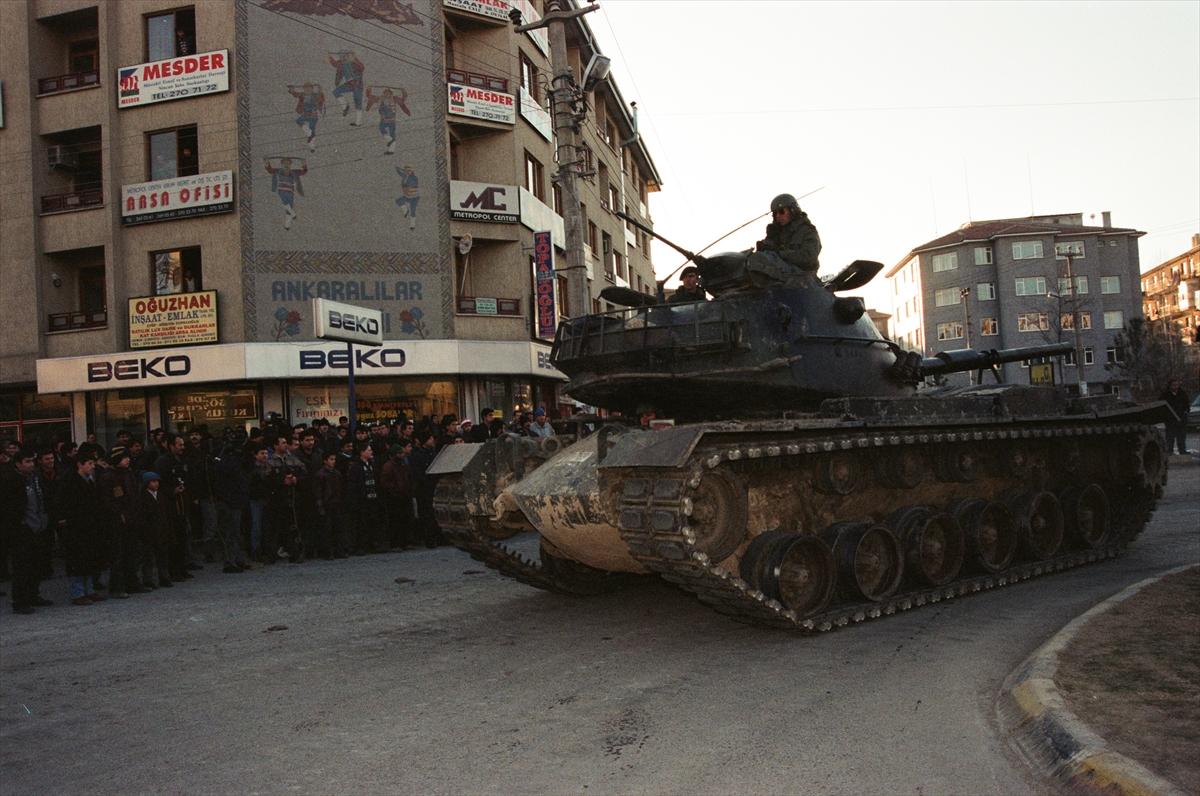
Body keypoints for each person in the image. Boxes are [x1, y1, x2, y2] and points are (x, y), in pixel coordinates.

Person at [2, 449, 51, 614]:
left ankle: (33, 594)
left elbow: (42, 498)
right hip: (21, 529)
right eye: (27, 462)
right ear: (18, 464)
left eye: (32, 461)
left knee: (36, 564)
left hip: (38, 525)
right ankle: (20, 600)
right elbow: (8, 507)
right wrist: (18, 524)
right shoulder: (11, 479)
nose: (31, 465)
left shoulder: (35, 477)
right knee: (22, 566)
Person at [58, 453, 105, 606]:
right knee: (77, 560)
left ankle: (89, 589)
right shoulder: (70, 482)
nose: (92, 467)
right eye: (89, 463)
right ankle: (77, 592)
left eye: (93, 463)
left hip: (90, 526)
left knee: (89, 558)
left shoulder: (90, 481)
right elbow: (67, 505)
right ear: (80, 464)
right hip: (76, 527)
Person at [756, 193, 821, 272]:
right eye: (775, 213)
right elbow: (769, 255)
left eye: (781, 211)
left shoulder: (807, 231)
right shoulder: (776, 232)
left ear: (793, 210)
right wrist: (765, 245)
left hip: (803, 277)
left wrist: (780, 253)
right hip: (779, 275)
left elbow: (809, 257)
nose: (778, 216)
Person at [1160, 379, 1191, 455]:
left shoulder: (1182, 393)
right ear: (1170, 386)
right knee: (1170, 437)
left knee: (1181, 437)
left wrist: (1186, 411)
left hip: (1181, 419)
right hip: (1170, 420)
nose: (1175, 386)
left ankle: (1182, 451)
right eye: (1173, 385)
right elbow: (1161, 405)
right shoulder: (1165, 395)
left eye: (1177, 385)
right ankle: (1170, 451)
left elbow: (1187, 404)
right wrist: (1166, 416)